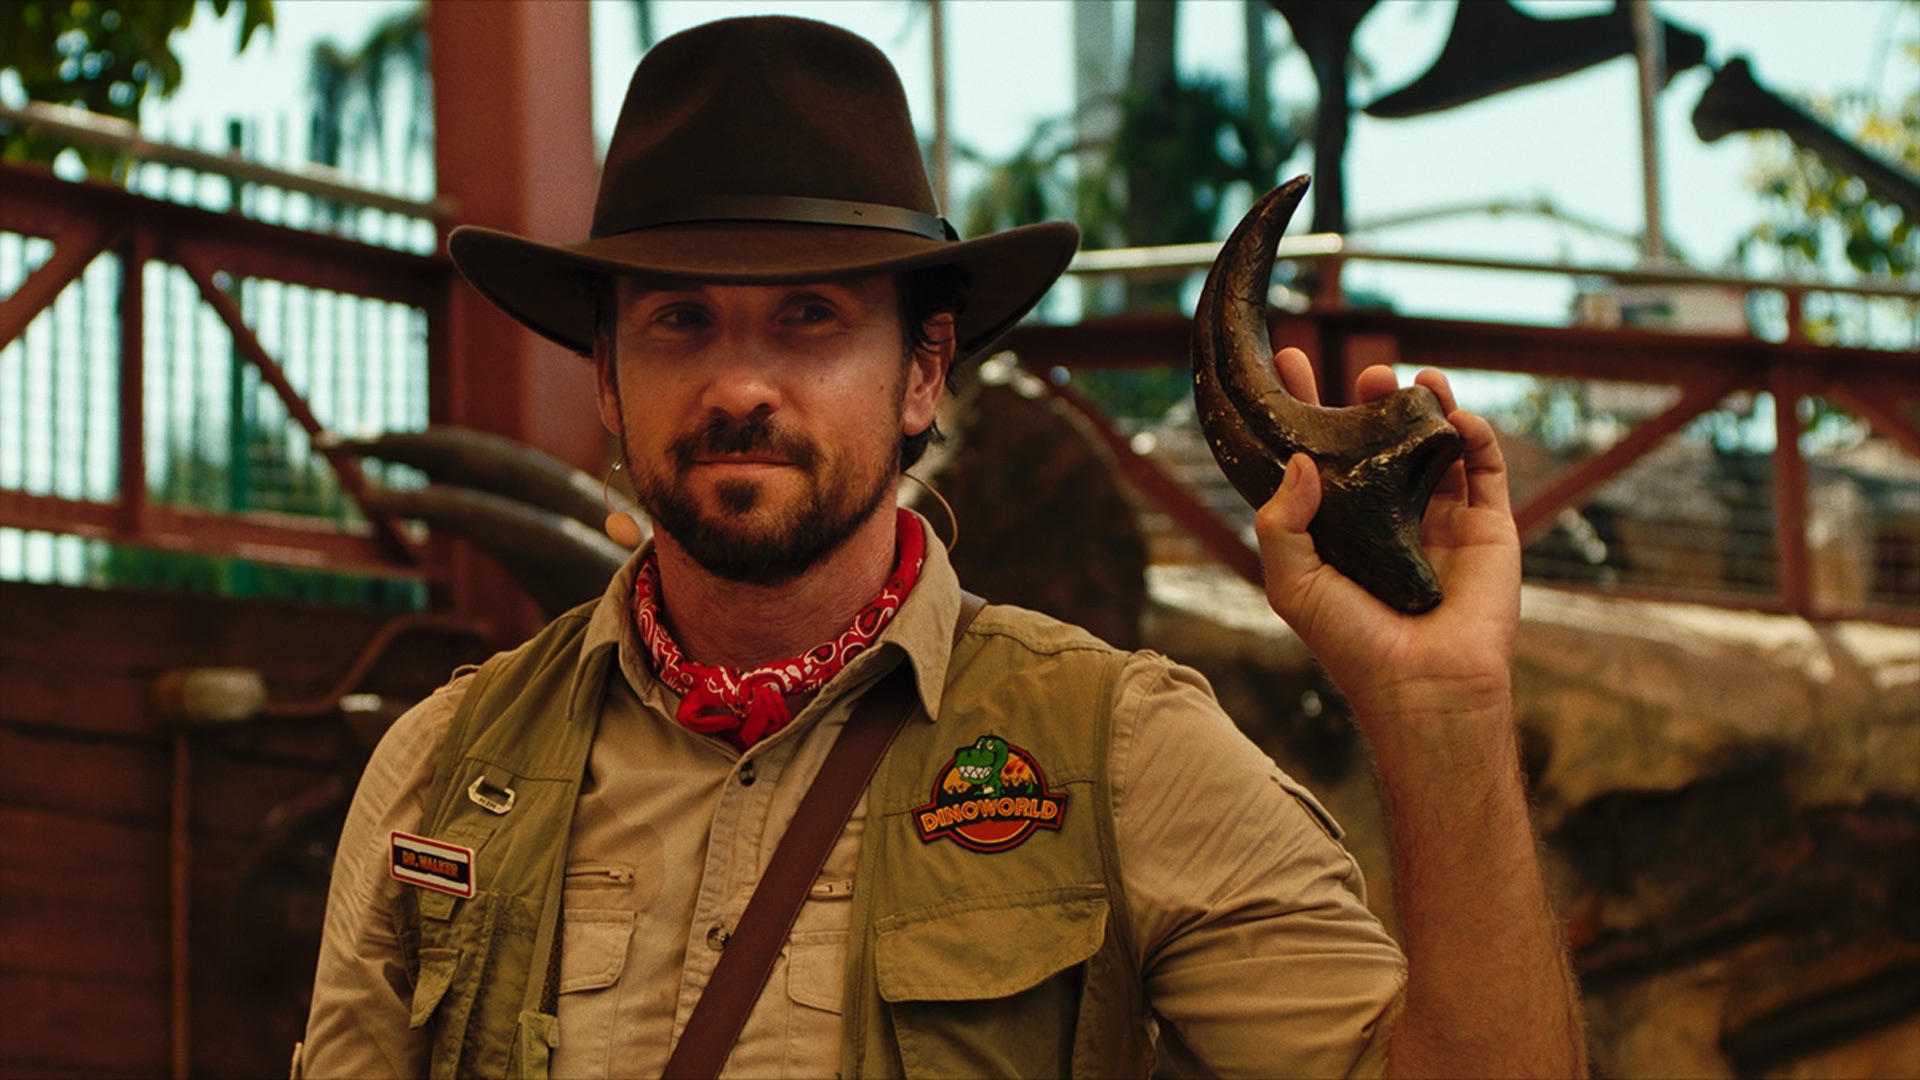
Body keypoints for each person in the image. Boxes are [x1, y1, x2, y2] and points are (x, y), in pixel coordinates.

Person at [298, 15, 1584, 1079]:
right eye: (681, 319)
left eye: (810, 316)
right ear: (607, 377)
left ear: (923, 373)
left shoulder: (1119, 754)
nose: (739, 384)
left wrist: (1443, 711)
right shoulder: (443, 773)